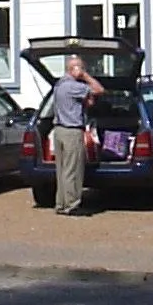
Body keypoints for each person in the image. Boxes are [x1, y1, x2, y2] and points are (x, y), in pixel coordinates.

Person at [50, 52, 106, 215]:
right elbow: (99, 89)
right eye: (81, 68)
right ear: (74, 69)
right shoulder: (74, 86)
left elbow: (82, 103)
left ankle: (61, 203)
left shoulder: (59, 85)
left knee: (61, 170)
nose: (83, 71)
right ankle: (72, 205)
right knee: (72, 169)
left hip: (59, 130)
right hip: (72, 131)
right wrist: (86, 76)